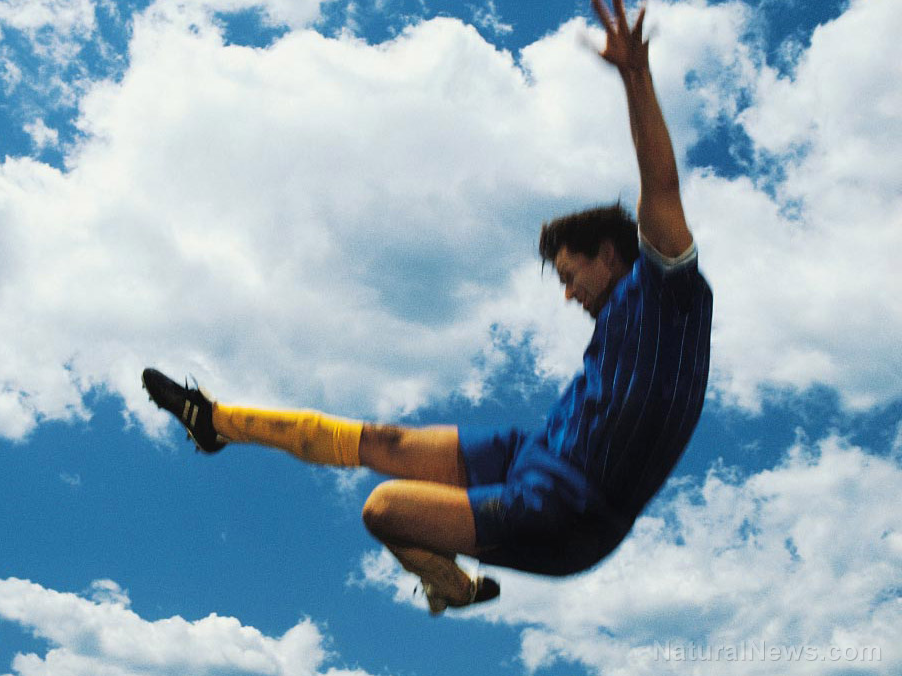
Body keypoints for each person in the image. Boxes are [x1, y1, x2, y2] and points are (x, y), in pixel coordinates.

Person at [142, 0, 712, 615]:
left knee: (384, 507)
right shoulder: (616, 326)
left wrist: (635, 76)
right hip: (538, 450)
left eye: (572, 276)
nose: (569, 294)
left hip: (572, 511)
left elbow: (662, 187)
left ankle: (457, 588)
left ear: (611, 253)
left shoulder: (668, 295)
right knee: (385, 441)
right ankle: (213, 420)